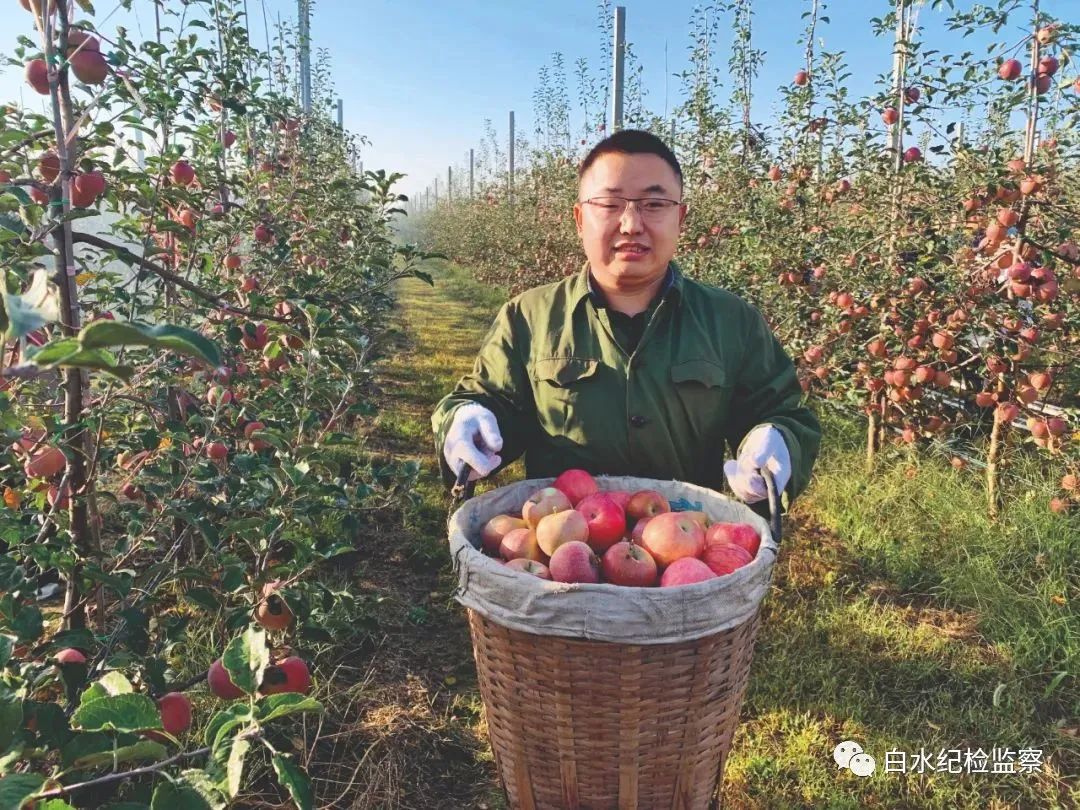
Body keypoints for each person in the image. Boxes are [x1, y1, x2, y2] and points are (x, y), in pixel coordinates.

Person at [431, 129, 820, 517]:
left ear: (680, 218)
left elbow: (780, 410)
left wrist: (779, 439)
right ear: (580, 218)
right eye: (610, 204)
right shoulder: (528, 318)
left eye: (654, 204)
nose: (632, 224)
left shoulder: (732, 322)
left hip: (687, 558)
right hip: (560, 552)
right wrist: (464, 420)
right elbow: (489, 401)